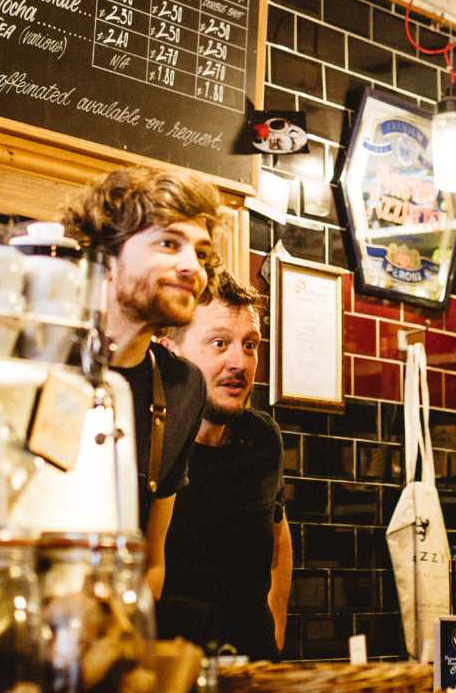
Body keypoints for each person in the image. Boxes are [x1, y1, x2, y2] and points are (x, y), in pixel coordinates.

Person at [62, 166, 221, 598]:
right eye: (169, 243)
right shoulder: (39, 353)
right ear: (105, 257)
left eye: (202, 255)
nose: (193, 267)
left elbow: (151, 560)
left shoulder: (183, 387)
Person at [158, 270, 293, 660]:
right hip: (174, 674)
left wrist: (275, 627)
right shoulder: (150, 443)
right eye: (220, 343)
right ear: (171, 352)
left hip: (253, 672)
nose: (240, 362)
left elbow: (279, 535)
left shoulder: (262, 438)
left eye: (250, 346)